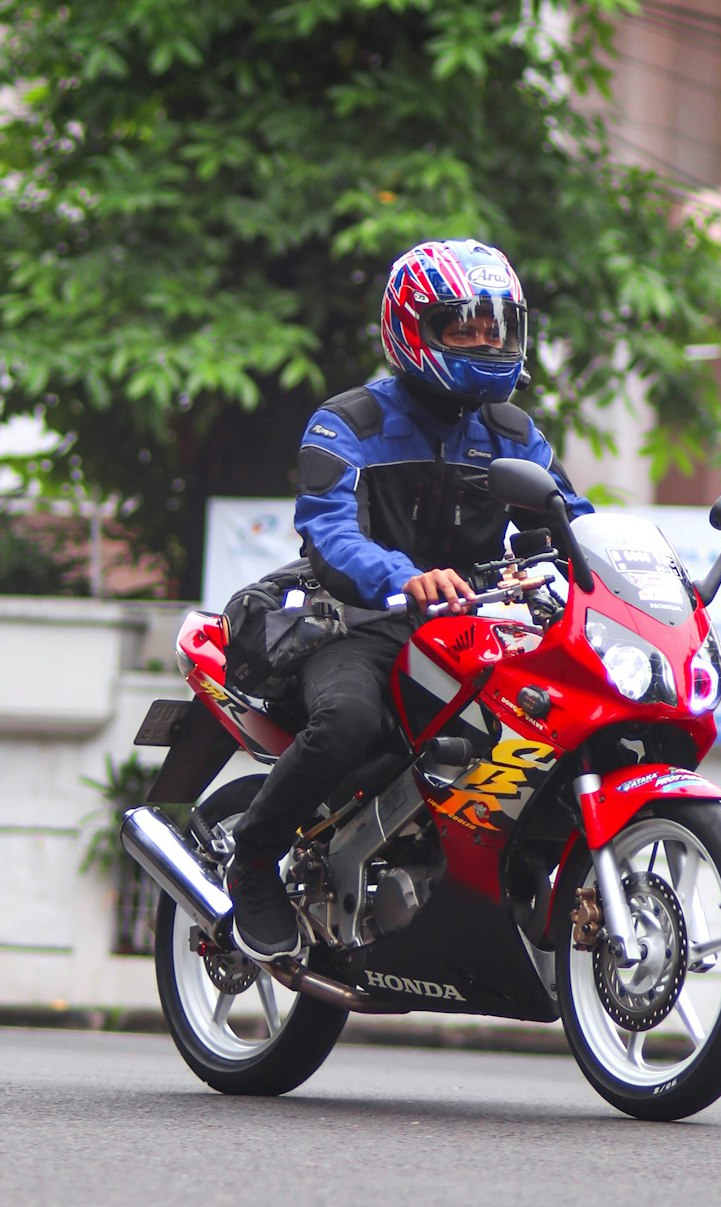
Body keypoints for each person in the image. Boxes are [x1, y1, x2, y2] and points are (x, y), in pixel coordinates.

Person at [227, 237, 593, 963]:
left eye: (498, 326)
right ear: (411, 328)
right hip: (363, 626)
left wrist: (621, 568)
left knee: (559, 720)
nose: (486, 340)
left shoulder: (513, 433)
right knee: (350, 720)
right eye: (465, 325)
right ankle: (252, 862)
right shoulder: (350, 421)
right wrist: (403, 576)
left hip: (478, 633)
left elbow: (569, 520)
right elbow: (327, 527)